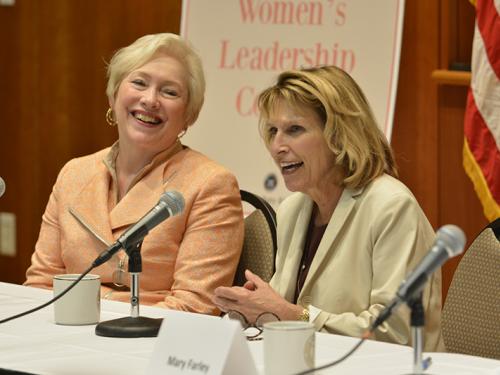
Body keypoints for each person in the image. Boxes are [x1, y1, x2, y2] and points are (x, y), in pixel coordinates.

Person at [213, 66, 444, 351]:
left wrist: (292, 315)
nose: (277, 146)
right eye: (273, 131)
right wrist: (253, 307)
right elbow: (284, 309)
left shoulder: (392, 207)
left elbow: (397, 332)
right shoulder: (294, 209)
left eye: (294, 129)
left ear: (339, 135)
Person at [24, 33, 244, 315]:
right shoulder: (74, 173)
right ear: (114, 95)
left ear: (189, 114)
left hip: (152, 344)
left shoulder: (211, 184)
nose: (150, 100)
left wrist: (90, 306)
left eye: (170, 92)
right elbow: (40, 285)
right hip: (66, 335)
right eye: (139, 83)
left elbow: (195, 307)